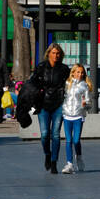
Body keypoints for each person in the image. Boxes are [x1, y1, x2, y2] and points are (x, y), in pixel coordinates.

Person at [30, 43, 69, 173]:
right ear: (48, 54)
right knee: (45, 134)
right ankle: (47, 153)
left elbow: (69, 84)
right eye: (53, 53)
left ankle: (54, 162)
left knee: (56, 134)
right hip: (43, 104)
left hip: (58, 103)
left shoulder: (64, 69)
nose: (55, 55)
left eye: (58, 53)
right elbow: (33, 83)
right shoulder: (41, 67)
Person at [60, 65, 91, 174]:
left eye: (82, 73)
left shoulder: (85, 86)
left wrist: (85, 104)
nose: (80, 74)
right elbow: (62, 97)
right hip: (67, 115)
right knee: (68, 140)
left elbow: (89, 103)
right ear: (72, 73)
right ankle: (69, 164)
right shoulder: (67, 84)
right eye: (78, 72)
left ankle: (79, 157)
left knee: (76, 140)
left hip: (78, 116)